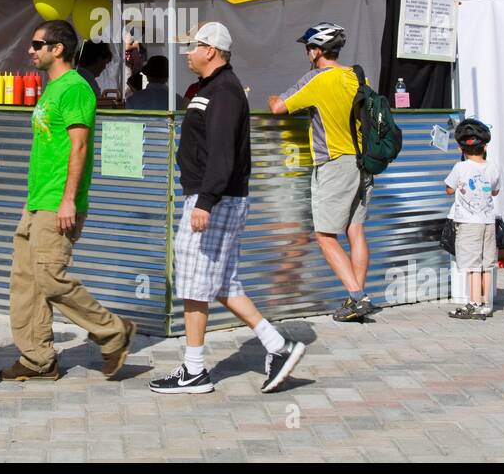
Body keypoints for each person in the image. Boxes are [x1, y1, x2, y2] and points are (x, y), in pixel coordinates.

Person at [150, 21, 306, 395]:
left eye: (194, 45)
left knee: (193, 284)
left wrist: (205, 201)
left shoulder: (224, 91)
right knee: (221, 282)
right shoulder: (213, 88)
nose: (188, 52)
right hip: (218, 197)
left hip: (213, 199)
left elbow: (221, 153)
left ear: (212, 51)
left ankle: (194, 370)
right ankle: (278, 347)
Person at [1, 19, 135, 381]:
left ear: (57, 48)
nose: (30, 49)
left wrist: (68, 201)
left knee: (49, 278)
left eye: (36, 44)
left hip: (58, 202)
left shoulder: (75, 88)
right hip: (37, 201)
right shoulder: (53, 88)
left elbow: (79, 146)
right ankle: (36, 359)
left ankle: (112, 332)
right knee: (25, 282)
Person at [267, 22, 376, 322]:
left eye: (308, 48)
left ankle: (356, 297)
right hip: (363, 162)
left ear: (317, 50)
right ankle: (357, 297)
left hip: (334, 163)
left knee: (325, 235)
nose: (307, 52)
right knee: (355, 231)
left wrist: (272, 97)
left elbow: (279, 108)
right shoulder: (355, 75)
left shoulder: (316, 79)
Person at [444, 119, 501, 320]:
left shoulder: (460, 168)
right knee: (486, 263)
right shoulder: (493, 167)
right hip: (488, 221)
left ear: (461, 147)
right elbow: (495, 191)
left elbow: (449, 189)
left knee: (472, 266)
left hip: (468, 223)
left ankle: (474, 303)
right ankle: (486, 304)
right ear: (485, 146)